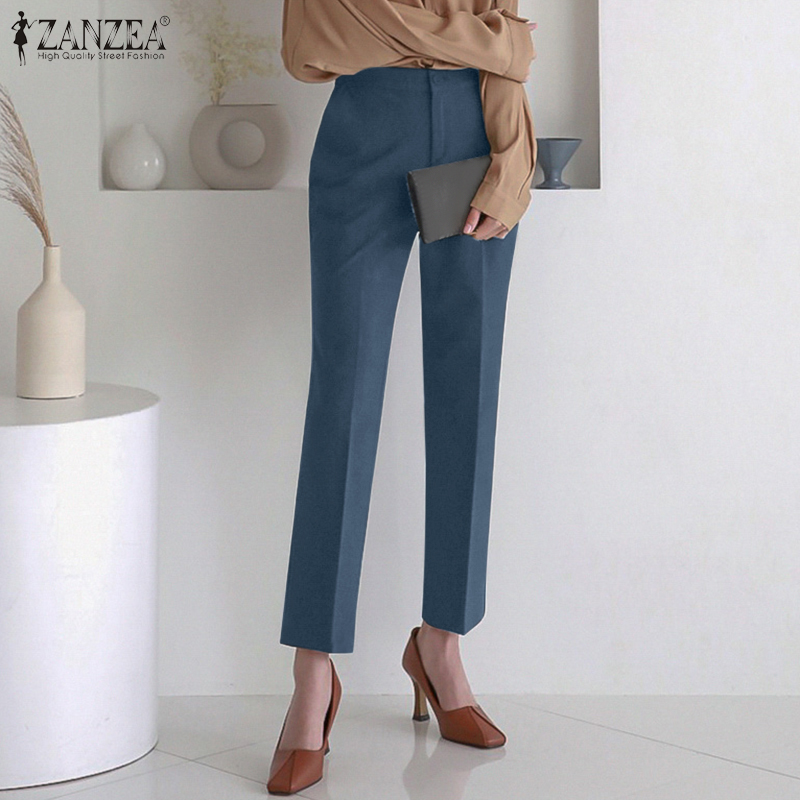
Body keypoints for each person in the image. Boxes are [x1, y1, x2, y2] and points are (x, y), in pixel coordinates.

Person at [268, 0, 537, 793]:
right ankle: (313, 674)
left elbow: (506, 41)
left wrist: (514, 155)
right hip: (363, 133)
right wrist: (487, 41)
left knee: (468, 396)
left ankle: (440, 645)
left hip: (477, 135)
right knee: (342, 401)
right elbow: (311, 42)